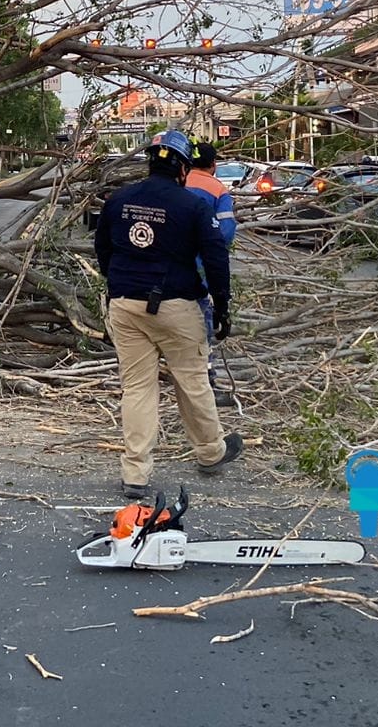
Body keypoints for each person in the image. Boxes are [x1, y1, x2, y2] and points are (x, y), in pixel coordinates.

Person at [93, 129, 242, 499]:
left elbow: (103, 250)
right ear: (182, 167)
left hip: (125, 305)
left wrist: (119, 285)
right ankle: (210, 452)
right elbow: (215, 258)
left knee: (138, 388)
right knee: (192, 382)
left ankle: (135, 473)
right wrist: (221, 306)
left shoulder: (119, 200)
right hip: (177, 305)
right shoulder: (192, 206)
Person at [185, 139, 238, 407]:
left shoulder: (178, 184)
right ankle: (207, 382)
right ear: (214, 164)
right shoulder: (217, 190)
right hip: (200, 272)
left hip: (167, 272)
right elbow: (224, 235)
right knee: (202, 327)